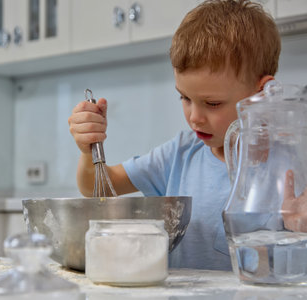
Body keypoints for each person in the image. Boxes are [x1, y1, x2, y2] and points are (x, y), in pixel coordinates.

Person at [68, 0, 281, 270]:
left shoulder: (286, 171)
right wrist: (89, 150)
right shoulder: (180, 155)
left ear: (262, 95)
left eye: (212, 103)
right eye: (185, 98)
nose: (194, 117)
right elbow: (96, 188)